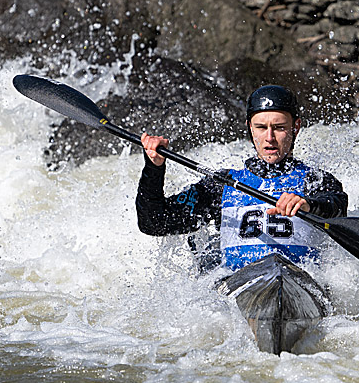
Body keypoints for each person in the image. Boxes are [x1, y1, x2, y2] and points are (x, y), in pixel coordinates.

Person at [136, 84, 348, 272]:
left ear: (296, 127)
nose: (270, 138)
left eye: (279, 128)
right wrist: (154, 167)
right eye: (261, 127)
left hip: (300, 282)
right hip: (240, 287)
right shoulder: (220, 186)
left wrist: (309, 205)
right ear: (250, 128)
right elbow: (153, 223)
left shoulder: (316, 181)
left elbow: (337, 207)